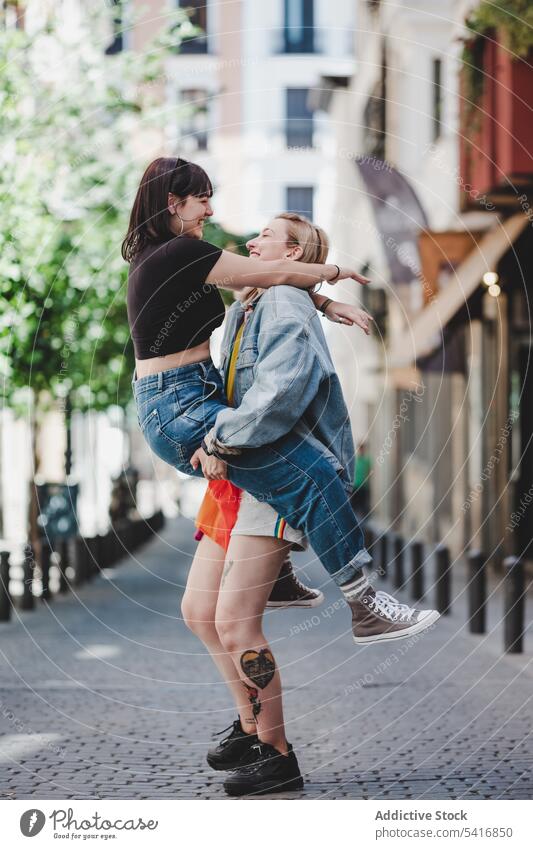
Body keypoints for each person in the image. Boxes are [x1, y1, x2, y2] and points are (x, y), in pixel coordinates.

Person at [125, 155, 438, 700]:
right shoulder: (181, 251)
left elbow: (259, 287)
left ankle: (280, 579)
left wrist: (317, 301)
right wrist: (335, 278)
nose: (211, 208)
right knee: (313, 473)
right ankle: (364, 602)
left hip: (186, 398)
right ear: (174, 203)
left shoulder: (178, 255)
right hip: (179, 406)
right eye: (201, 198)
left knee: (282, 472)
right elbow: (273, 274)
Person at [181, 213, 439, 795]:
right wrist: (322, 295)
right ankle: (256, 727)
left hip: (277, 468)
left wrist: (220, 438)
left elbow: (281, 390)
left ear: (291, 251)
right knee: (205, 613)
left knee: (234, 623)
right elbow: (254, 287)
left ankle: (274, 751)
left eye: (264, 238)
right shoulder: (262, 300)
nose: (250, 243)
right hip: (248, 473)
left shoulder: (282, 304)